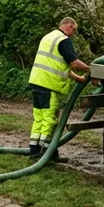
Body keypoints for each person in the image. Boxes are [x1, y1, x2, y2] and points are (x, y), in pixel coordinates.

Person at [27, 17, 91, 160]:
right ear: (69, 26)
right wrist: (91, 69)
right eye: (74, 30)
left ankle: (34, 149)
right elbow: (74, 63)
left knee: (39, 118)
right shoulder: (63, 40)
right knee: (50, 119)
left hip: (37, 81)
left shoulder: (48, 37)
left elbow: (59, 66)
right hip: (49, 85)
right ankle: (47, 153)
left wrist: (79, 79)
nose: (74, 33)